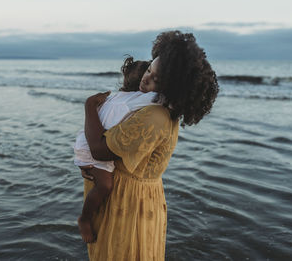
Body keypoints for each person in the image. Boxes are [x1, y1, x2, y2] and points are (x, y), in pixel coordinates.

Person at [80, 30, 219, 260]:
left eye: (156, 79)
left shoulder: (154, 116)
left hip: (127, 204)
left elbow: (99, 150)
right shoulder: (161, 108)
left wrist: (88, 106)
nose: (146, 78)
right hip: (137, 196)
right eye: (149, 70)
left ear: (173, 86)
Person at [75, 57, 157, 243]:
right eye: (147, 74)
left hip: (85, 141)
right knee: (105, 186)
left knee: (101, 184)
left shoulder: (114, 96)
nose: (147, 80)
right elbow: (160, 99)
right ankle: (85, 219)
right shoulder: (138, 99)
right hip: (92, 145)